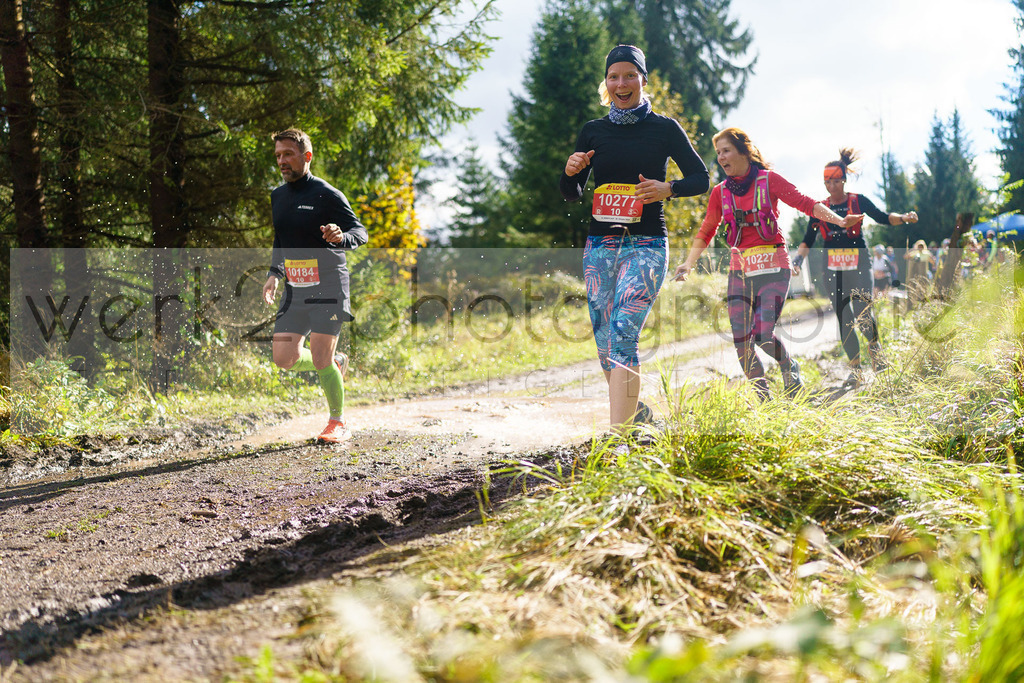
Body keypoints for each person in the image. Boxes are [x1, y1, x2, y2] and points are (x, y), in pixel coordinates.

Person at [560, 44, 709, 437]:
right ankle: (634, 411)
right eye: (614, 76)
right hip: (600, 247)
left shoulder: (665, 128)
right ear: (606, 83)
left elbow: (701, 178)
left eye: (629, 75)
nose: (621, 83)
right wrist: (570, 172)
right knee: (604, 340)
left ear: (643, 80)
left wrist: (668, 188)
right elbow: (572, 193)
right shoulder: (593, 130)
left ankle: (619, 435)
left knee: (624, 331)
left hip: (646, 245)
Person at [674, 128, 862, 401]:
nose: (721, 157)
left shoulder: (769, 180)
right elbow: (707, 229)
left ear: (743, 151)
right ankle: (764, 401)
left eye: (726, 150)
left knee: (762, 334)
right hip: (740, 272)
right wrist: (688, 263)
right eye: (718, 153)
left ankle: (788, 366)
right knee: (741, 341)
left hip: (774, 268)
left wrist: (840, 220)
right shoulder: (719, 193)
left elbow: (805, 203)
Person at [262, 128, 368, 443]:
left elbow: (359, 232)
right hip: (295, 289)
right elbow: (281, 238)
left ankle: (338, 422)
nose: (282, 161)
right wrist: (274, 273)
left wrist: (341, 236)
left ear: (306, 156)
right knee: (284, 358)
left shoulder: (327, 194)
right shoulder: (278, 196)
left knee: (320, 358)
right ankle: (334, 363)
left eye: (288, 154)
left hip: (329, 286)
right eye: (278, 155)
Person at [792, 148, 918, 386]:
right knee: (844, 316)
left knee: (862, 310)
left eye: (835, 181)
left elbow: (882, 217)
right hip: (832, 267)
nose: (831, 186)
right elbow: (808, 238)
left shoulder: (858, 201)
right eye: (827, 182)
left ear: (844, 180)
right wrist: (798, 260)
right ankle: (856, 370)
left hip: (859, 262)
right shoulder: (820, 208)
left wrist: (903, 217)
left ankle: (876, 351)